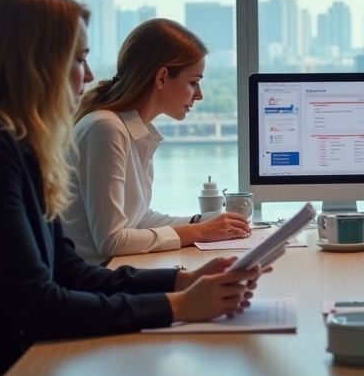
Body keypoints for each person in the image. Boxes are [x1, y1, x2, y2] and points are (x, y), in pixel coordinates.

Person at [0, 0, 261, 376]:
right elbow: (40, 308)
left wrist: (181, 282)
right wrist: (178, 306)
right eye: (78, 60)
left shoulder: (14, 144)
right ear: (32, 64)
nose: (90, 75)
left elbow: (68, 270)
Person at [63, 18, 251, 265]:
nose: (200, 94)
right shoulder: (105, 128)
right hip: (97, 281)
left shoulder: (133, 130)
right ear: (161, 77)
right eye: (193, 82)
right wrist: (199, 232)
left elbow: (139, 219)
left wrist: (200, 221)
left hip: (113, 274)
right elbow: (111, 241)